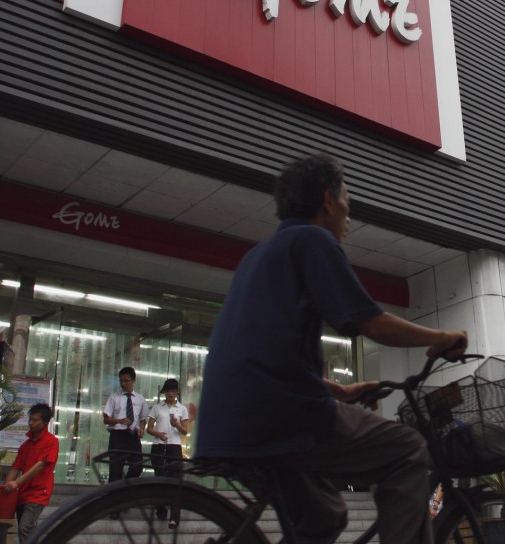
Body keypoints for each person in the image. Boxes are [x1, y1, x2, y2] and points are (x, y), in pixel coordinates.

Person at [195, 152, 468, 544]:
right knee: (408, 447)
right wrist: (442, 337)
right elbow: (372, 322)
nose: (348, 216)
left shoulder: (258, 255)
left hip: (228, 422)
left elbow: (264, 356)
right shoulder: (313, 240)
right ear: (328, 200)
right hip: (281, 417)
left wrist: (338, 390)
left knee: (324, 515)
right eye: (347, 203)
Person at [2, 404, 59, 543]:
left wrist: (16, 482)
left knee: (25, 528)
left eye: (35, 420)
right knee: (27, 531)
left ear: (45, 422)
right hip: (21, 493)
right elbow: (15, 468)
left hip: (38, 494)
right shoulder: (25, 445)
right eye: (30, 419)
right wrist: (6, 486)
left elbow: (40, 465)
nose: (31, 423)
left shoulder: (51, 441)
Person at [146, 378, 189, 528]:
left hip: (174, 446)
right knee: (160, 477)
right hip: (159, 445)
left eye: (173, 390)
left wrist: (177, 424)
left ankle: (174, 516)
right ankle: (161, 510)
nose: (170, 393)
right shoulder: (157, 407)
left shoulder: (182, 408)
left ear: (177, 392)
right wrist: (158, 434)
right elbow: (149, 428)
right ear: (164, 392)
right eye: (168, 391)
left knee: (175, 480)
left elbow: (185, 431)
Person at [102, 366, 149, 483]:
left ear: (133, 380)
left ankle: (125, 486)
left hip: (133, 435)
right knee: (115, 470)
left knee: (137, 466)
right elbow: (106, 419)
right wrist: (119, 420)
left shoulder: (140, 399)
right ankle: (114, 492)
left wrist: (141, 429)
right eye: (121, 381)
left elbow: (143, 419)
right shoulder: (114, 397)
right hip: (117, 435)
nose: (123, 384)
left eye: (126, 381)